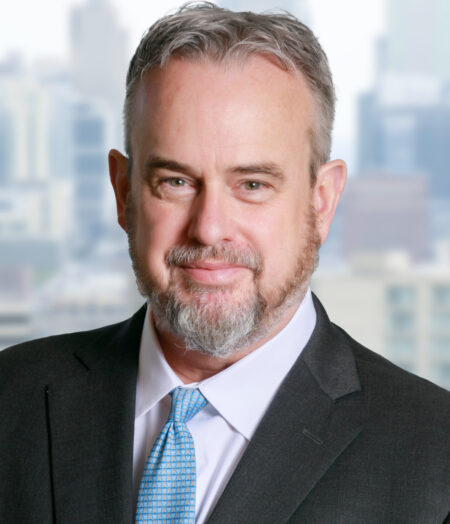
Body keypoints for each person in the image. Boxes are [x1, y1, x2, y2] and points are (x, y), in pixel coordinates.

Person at [1, 2, 449, 523]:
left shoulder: (435, 459)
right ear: (124, 193)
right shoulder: (12, 400)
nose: (210, 228)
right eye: (175, 182)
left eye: (252, 184)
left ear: (322, 201)